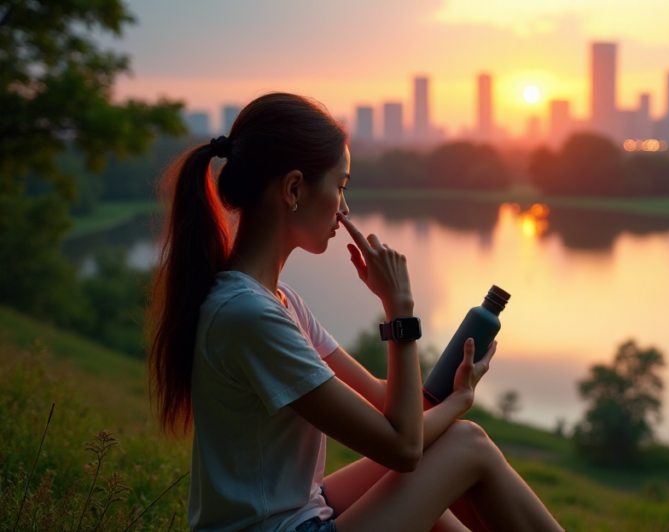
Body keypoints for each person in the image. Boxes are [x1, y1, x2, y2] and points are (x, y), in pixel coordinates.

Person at [147, 92, 563, 532]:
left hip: (301, 508)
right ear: (293, 189)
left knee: (442, 469)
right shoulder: (250, 315)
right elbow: (402, 447)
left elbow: (389, 404)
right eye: (340, 186)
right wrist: (399, 311)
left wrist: (452, 387)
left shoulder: (278, 301)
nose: (345, 208)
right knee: (467, 444)